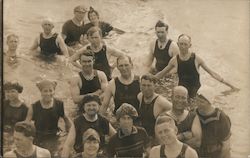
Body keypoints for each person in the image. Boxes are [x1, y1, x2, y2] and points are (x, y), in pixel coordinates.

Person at [155, 34, 238, 98]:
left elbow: (212, 73)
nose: (183, 47)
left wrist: (232, 86)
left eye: (185, 44)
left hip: (195, 90)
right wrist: (149, 80)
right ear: (177, 44)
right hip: (182, 92)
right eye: (181, 44)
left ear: (190, 45)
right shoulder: (174, 60)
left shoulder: (196, 59)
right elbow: (162, 73)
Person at [25, 79, 71, 156]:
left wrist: (69, 134)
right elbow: (26, 124)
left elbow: (66, 119)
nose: (48, 93)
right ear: (41, 92)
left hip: (54, 135)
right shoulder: (34, 107)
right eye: (45, 91)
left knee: (53, 154)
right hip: (38, 136)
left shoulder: (59, 104)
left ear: (54, 91)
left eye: (51, 90)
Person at [195, 87, 231, 158]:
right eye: (197, 100)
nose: (198, 104)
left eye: (202, 102)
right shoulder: (194, 113)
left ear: (209, 103)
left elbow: (226, 145)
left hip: (216, 153)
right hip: (199, 152)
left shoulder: (221, 118)